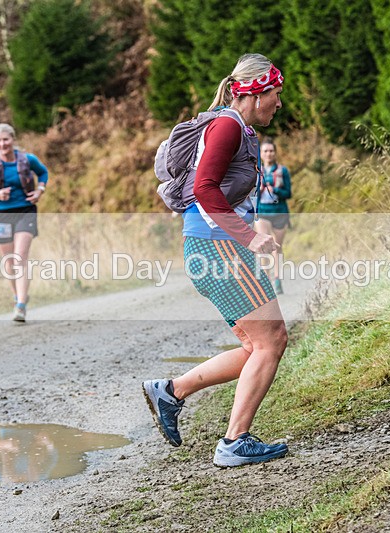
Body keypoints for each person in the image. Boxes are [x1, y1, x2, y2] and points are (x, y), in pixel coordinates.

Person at [143, 53, 289, 468]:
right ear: (256, 90)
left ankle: (170, 391)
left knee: (256, 344)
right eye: (276, 94)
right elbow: (205, 189)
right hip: (217, 245)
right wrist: (248, 237)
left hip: (216, 244)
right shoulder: (226, 125)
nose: (279, 104)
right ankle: (234, 442)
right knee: (271, 340)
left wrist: (249, 235)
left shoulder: (236, 127)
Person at [0, 123, 48, 322]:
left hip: (25, 210)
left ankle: (21, 306)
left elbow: (43, 173)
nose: (2, 144)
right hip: (0, 214)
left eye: (6, 139)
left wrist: (40, 190)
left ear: (13, 139)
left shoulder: (28, 159)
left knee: (20, 257)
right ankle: (17, 297)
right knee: (10, 263)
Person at [253, 137, 291, 294]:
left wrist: (274, 189)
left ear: (275, 153)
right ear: (260, 153)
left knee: (277, 247)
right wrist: (261, 189)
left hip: (280, 212)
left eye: (271, 151)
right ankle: (265, 282)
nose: (269, 154)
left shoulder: (282, 170)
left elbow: (288, 193)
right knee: (264, 247)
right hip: (262, 212)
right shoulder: (256, 171)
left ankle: (277, 279)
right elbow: (251, 194)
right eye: (265, 151)